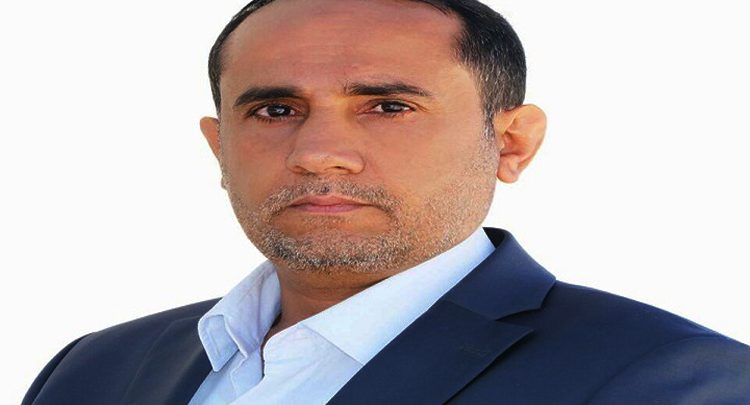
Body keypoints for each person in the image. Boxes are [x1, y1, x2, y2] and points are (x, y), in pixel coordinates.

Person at [22, 0, 750, 404]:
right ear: (220, 148)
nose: (318, 151)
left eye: (388, 106)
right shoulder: (91, 371)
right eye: (275, 110)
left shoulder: (670, 380)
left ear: (511, 143)